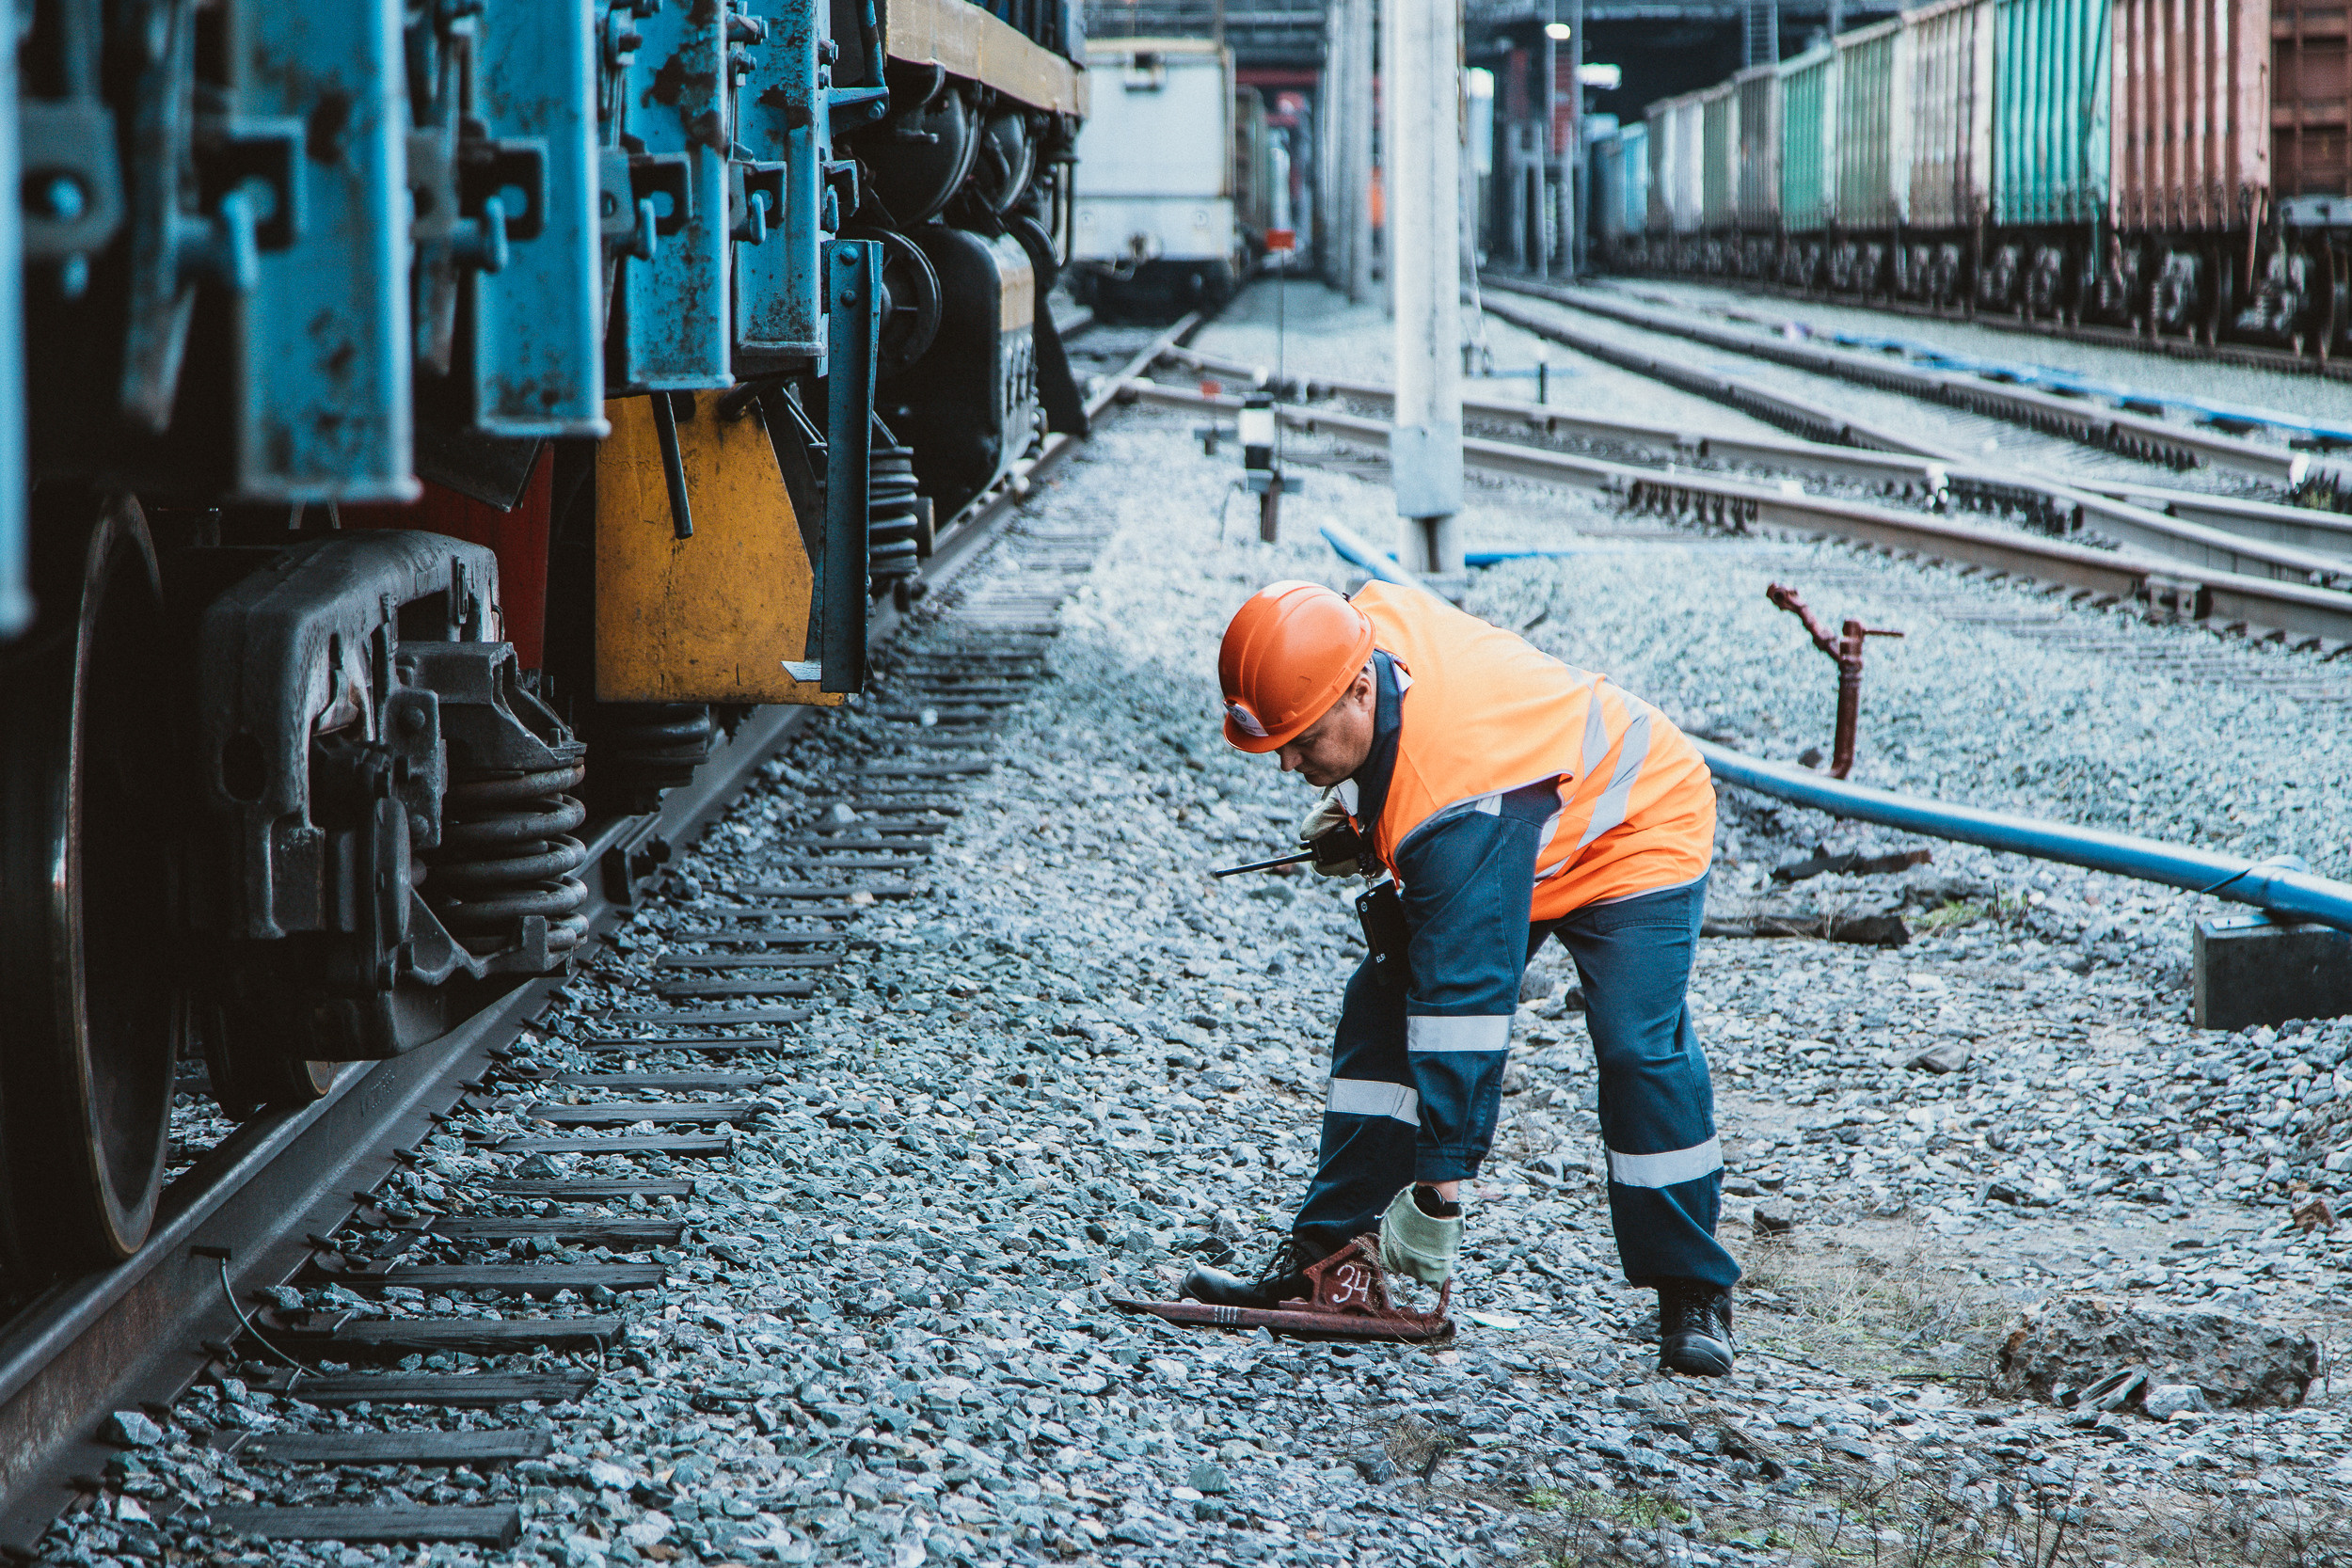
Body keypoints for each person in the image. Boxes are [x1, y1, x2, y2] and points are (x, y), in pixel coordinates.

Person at [1185, 578, 1740, 1375]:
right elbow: (1402, 747)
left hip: (1634, 825)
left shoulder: (1453, 803)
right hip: (1522, 818)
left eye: (1302, 741)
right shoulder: (1359, 625)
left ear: (1358, 687)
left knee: (1636, 1045)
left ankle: (1695, 1292)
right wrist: (1362, 813)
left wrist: (1440, 1195)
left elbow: (1465, 1009)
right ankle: (1328, 1252)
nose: (1288, 761)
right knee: (1381, 999)